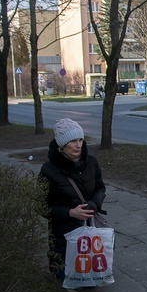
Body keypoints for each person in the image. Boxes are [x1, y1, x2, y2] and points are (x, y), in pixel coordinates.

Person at [39, 118, 106, 279]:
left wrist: (94, 204)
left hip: (90, 229)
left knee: (91, 277)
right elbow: (40, 206)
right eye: (73, 141)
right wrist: (69, 213)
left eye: (81, 140)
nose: (78, 145)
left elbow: (100, 188)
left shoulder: (91, 163)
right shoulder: (49, 170)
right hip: (63, 235)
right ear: (62, 145)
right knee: (66, 278)